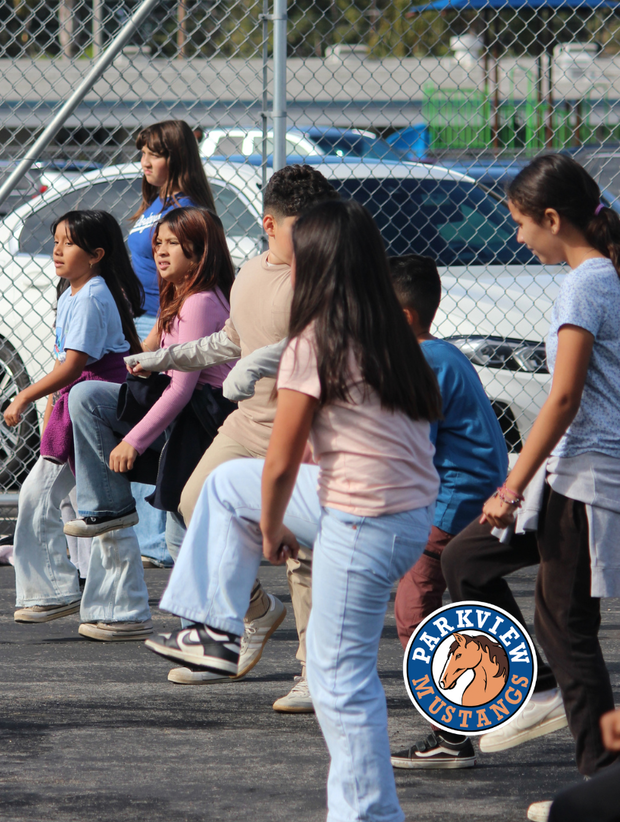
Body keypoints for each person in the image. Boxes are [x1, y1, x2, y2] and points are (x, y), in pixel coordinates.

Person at [146, 199, 442, 822]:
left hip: (362, 517)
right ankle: (210, 632)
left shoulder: (317, 338)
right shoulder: (389, 327)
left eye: (301, 255)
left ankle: (367, 815)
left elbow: (282, 460)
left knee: (341, 677)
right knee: (226, 487)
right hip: (396, 509)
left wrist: (276, 526)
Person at [126, 164, 338, 701]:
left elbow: (326, 352)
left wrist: (263, 361)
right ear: (270, 224)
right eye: (304, 226)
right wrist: (163, 358)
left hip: (307, 436)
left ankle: (315, 672)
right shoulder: (248, 275)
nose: (318, 237)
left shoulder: (326, 277)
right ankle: (254, 616)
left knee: (302, 554)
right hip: (246, 427)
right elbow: (229, 341)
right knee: (196, 504)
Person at [477, 154, 620, 811]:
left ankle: (599, 785)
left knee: (565, 623)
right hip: (571, 470)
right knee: (465, 561)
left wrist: (511, 485)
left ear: (552, 219)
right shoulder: (594, 277)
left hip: (586, 471)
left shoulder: (584, 284)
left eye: (518, 224)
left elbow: (560, 398)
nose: (515, 237)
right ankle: (534, 692)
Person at [62, 206, 235, 641]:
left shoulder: (199, 303)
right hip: (182, 412)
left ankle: (208, 634)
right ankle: (109, 508)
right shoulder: (178, 296)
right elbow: (145, 355)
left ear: (199, 254)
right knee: (88, 396)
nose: (160, 251)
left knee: (182, 531)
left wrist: (134, 442)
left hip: (203, 421)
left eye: (173, 244)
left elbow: (181, 388)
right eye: (158, 242)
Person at [384, 254, 513, 768]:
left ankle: (451, 734)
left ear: (406, 318)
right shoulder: (443, 354)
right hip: (470, 492)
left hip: (451, 498)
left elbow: (412, 451)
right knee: (464, 598)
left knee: (414, 608)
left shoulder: (422, 363)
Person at [3, 209, 143, 623]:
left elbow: (73, 367)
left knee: (97, 505)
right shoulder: (72, 293)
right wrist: (50, 416)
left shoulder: (94, 295)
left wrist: (22, 397)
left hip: (96, 407)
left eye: (69, 242)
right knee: (65, 499)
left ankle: (76, 597)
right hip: (76, 404)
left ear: (97, 254)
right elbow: (67, 370)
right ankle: (61, 593)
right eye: (56, 240)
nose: (57, 250)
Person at [126, 119, 217, 568]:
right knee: (142, 416)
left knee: (157, 424)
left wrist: (154, 334)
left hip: (164, 323)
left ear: (176, 158)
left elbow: (176, 283)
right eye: (142, 152)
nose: (144, 161)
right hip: (153, 322)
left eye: (154, 153)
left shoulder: (184, 207)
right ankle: (153, 538)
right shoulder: (155, 203)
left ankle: (158, 542)